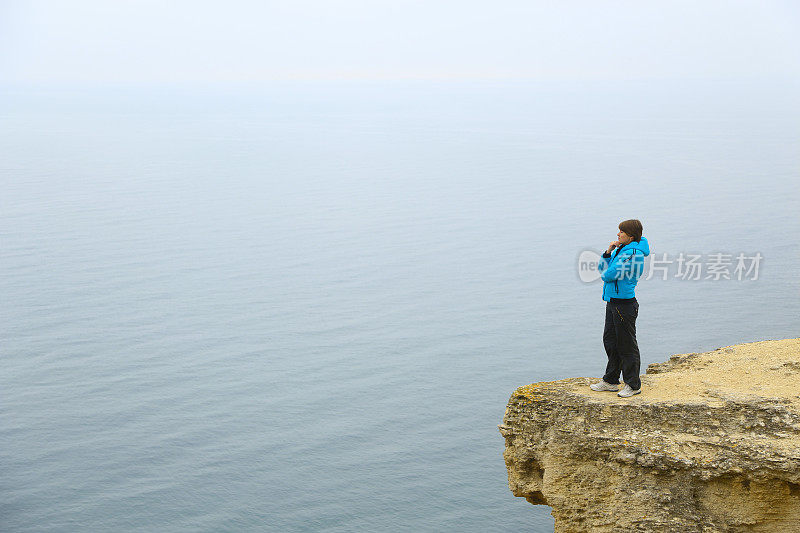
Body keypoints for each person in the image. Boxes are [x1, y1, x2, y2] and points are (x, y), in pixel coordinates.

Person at [590, 219, 650, 398]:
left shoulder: (632, 253)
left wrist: (607, 270)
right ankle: (611, 380)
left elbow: (608, 275)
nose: (618, 234)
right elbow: (602, 269)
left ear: (630, 236)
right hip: (613, 301)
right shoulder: (622, 250)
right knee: (610, 340)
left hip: (624, 304)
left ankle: (633, 384)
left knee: (626, 345)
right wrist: (608, 252)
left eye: (621, 232)